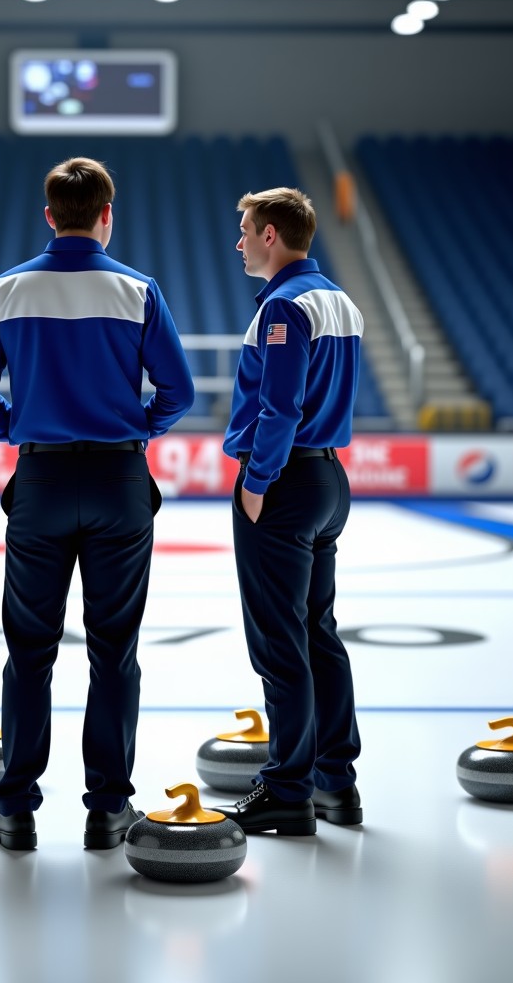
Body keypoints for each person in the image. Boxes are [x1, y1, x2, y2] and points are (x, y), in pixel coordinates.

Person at [0, 156, 194, 851]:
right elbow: (177, 394)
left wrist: (20, 428)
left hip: (41, 482)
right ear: (107, 216)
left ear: (50, 215)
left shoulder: (7, 289)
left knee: (29, 653)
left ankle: (16, 810)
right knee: (114, 653)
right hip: (120, 483)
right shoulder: (138, 290)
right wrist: (132, 433)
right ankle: (110, 809)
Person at [213, 187, 364, 836]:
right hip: (329, 478)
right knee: (318, 634)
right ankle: (336, 783)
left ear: (271, 234)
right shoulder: (341, 300)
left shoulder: (283, 306)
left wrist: (257, 482)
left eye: (246, 230)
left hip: (285, 483)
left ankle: (288, 790)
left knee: (280, 642)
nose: (240, 241)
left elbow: (281, 406)